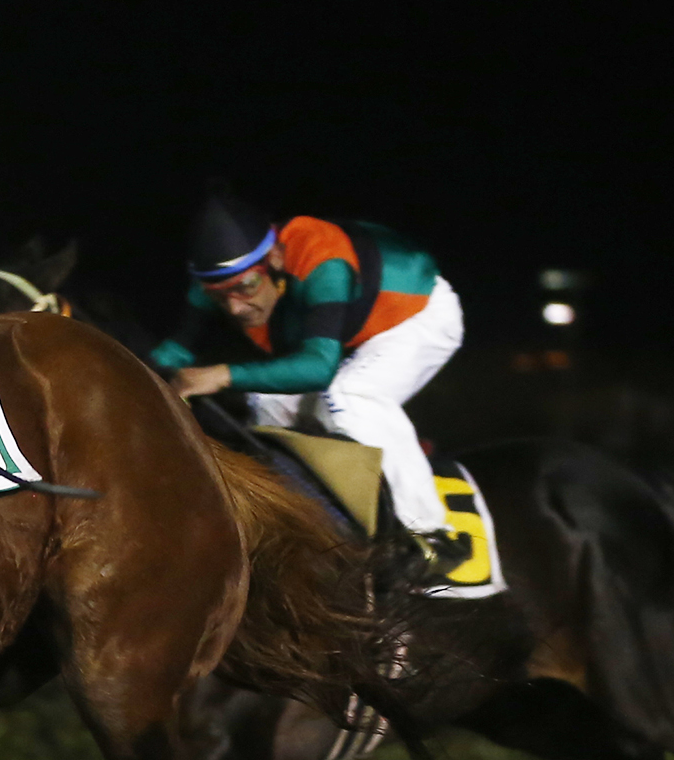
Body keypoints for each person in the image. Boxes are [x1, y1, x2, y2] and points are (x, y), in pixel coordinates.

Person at [154, 185, 466, 558]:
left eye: (246, 287)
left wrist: (220, 375)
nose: (234, 309)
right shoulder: (218, 278)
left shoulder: (322, 260)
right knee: (266, 404)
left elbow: (319, 368)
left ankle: (432, 535)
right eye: (219, 296)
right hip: (353, 336)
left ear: (275, 256)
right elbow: (171, 352)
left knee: (351, 396)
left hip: (417, 317)